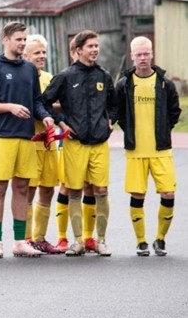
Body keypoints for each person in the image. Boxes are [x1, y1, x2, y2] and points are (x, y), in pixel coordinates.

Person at [0, 21, 53, 258]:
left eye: (24, 39)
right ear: (6, 40)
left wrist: (47, 117)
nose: (22, 43)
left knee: (22, 187)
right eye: (18, 39)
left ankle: (19, 241)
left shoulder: (30, 69)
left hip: (27, 137)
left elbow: (36, 101)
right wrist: (9, 107)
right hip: (3, 137)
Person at [41, 30, 117, 257]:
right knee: (74, 190)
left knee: (101, 189)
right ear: (78, 50)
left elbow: (114, 105)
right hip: (74, 144)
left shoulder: (104, 76)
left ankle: (101, 240)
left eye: (96, 46)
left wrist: (110, 122)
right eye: (90, 46)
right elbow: (44, 102)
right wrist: (61, 123)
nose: (95, 49)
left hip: (99, 144)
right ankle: (77, 242)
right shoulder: (65, 77)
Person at [115, 36, 181, 256]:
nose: (142, 58)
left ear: (152, 54)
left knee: (169, 194)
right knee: (137, 195)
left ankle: (160, 240)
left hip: (161, 150)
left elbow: (174, 112)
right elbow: (119, 114)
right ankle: (141, 241)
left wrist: (163, 131)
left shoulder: (165, 83)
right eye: (138, 54)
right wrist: (131, 133)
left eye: (146, 53)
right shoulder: (124, 84)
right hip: (135, 151)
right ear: (132, 55)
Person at [22, 35, 62, 254]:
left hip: (50, 142)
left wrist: (52, 108)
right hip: (29, 142)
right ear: (26, 55)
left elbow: (59, 104)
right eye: (37, 52)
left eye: (44, 52)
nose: (42, 56)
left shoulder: (50, 78)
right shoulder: (21, 77)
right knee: (28, 191)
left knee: (48, 190)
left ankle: (40, 238)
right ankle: (26, 239)